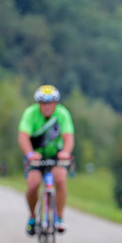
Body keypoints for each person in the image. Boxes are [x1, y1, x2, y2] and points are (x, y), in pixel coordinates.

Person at [18, 85, 75, 234]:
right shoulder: (30, 113)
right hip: (36, 156)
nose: (47, 106)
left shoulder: (62, 113)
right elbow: (23, 136)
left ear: (56, 103)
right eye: (44, 103)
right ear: (39, 104)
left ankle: (59, 217)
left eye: (50, 103)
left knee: (60, 179)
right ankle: (32, 217)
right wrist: (30, 154)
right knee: (33, 185)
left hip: (56, 154)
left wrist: (66, 152)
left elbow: (68, 137)